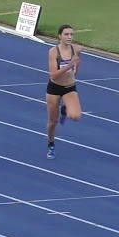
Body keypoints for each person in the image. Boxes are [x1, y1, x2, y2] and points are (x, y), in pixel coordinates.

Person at [45, 24, 82, 159]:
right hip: (54, 88)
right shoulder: (54, 52)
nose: (69, 37)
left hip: (69, 87)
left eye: (71, 34)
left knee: (76, 116)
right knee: (53, 121)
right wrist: (69, 65)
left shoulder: (76, 49)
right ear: (59, 36)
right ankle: (51, 143)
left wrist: (75, 69)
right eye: (66, 34)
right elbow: (53, 75)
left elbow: (78, 61)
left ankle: (65, 110)